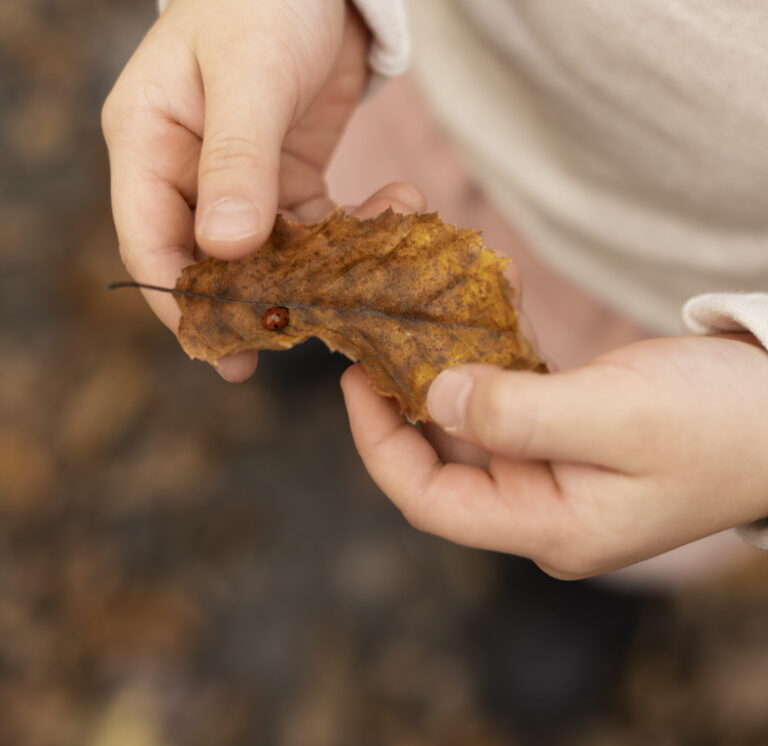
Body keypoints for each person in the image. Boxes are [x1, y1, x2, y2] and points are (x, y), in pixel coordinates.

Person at [102, 0, 768, 581]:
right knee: (322, 242)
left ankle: (574, 588)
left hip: (682, 317)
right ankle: (307, 336)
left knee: (569, 464)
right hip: (399, 84)